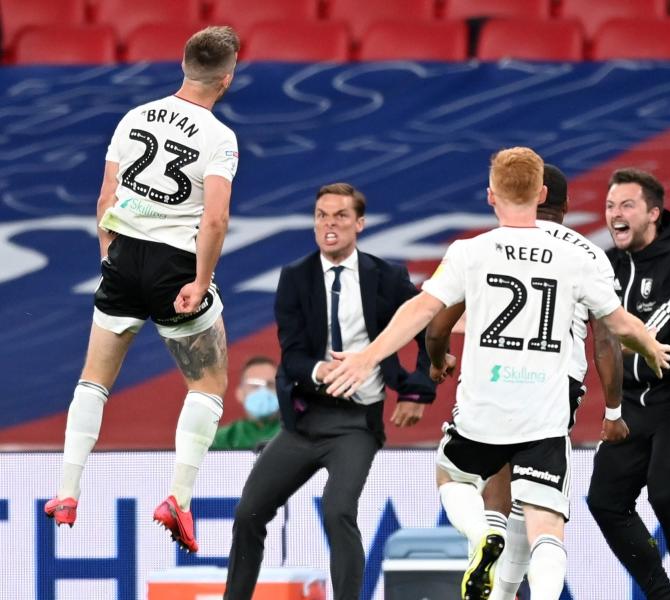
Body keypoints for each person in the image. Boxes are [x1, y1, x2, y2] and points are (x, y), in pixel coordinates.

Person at [323, 147, 670, 600]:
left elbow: (425, 311)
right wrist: (648, 344)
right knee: (547, 523)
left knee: (454, 478)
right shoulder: (579, 258)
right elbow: (616, 326)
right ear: (543, 193)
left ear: (490, 196)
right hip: (546, 407)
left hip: (485, 401)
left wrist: (368, 356)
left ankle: (481, 537)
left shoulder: (471, 251)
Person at [44, 26, 241, 553]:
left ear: (182, 63)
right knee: (207, 384)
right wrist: (199, 280)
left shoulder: (134, 117)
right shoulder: (219, 137)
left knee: (94, 379)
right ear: (227, 78)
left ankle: (66, 491)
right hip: (175, 264)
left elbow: (107, 193)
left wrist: (109, 251)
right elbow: (216, 220)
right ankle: (178, 497)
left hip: (124, 252)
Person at [223, 183, 436, 600]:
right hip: (304, 421)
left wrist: (417, 391)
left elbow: (427, 327)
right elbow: (293, 354)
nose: (329, 224)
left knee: (338, 511)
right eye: (322, 215)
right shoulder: (295, 277)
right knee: (248, 512)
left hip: (356, 424)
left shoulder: (386, 277)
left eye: (340, 216)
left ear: (359, 223)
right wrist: (323, 370)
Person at [423, 163, 626, 600]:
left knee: (484, 485)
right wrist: (614, 410)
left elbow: (438, 324)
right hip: (556, 385)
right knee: (541, 507)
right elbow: (607, 341)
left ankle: (485, 547)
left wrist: (436, 362)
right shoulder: (588, 254)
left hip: (494, 378)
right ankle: (511, 592)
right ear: (565, 203)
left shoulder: (484, 247)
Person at [587, 169, 670, 600]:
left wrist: (624, 343)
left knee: (667, 493)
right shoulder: (604, 265)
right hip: (633, 402)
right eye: (610, 206)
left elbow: (656, 329)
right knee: (605, 500)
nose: (615, 215)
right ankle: (663, 596)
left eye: (627, 205)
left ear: (654, 214)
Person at [211, 356, 281, 450]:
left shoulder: (296, 436)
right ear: (240, 394)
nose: (263, 391)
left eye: (271, 385)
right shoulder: (222, 439)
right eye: (255, 386)